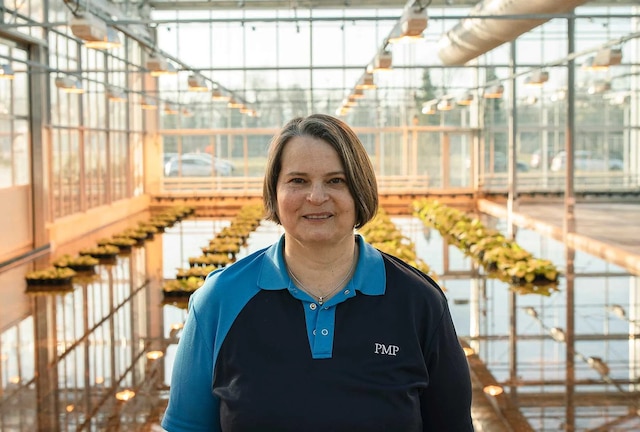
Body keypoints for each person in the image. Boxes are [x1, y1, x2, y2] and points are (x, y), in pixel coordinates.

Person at [161, 114, 474, 431]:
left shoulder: (419, 302)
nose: (316, 197)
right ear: (275, 192)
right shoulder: (220, 301)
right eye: (298, 180)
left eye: (336, 181)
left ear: (360, 190)